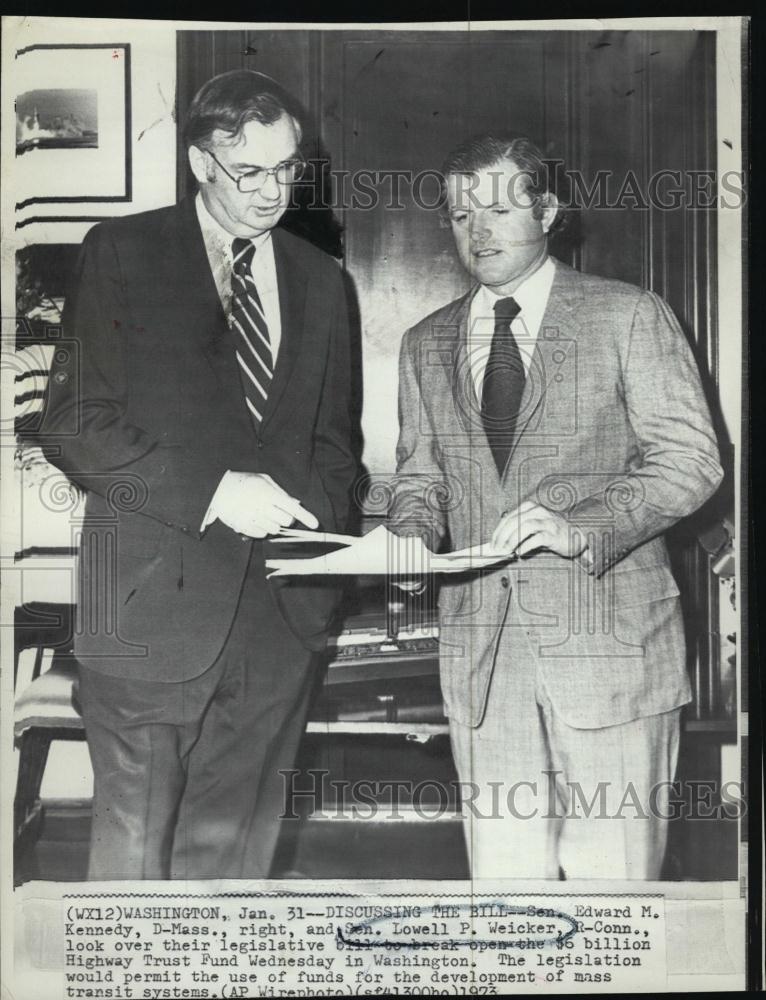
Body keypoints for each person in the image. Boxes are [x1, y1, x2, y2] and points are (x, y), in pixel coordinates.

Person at [40, 70, 357, 880]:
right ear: (200, 161)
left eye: (287, 169)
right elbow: (74, 424)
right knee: (134, 859)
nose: (272, 190)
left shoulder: (324, 282)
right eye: (248, 170)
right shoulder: (122, 252)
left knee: (234, 863)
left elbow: (335, 445)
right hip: (149, 609)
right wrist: (217, 491)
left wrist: (322, 540)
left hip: (281, 619)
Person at [389, 134, 723, 879]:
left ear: (548, 209)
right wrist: (410, 535)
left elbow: (693, 460)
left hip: (611, 652)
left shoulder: (629, 315)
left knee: (616, 904)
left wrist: (583, 529)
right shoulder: (424, 343)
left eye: (501, 206)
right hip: (483, 665)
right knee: (508, 909)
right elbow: (420, 479)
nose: (478, 229)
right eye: (459, 213)